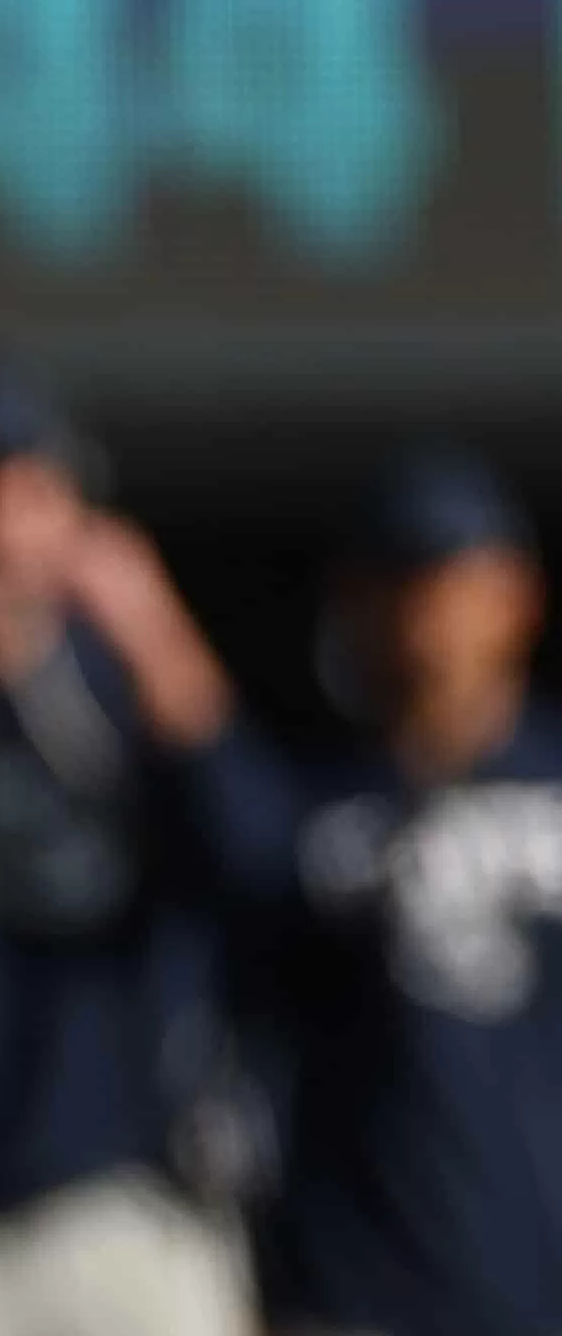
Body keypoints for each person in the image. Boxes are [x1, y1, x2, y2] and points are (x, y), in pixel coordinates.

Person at [0, 373, 256, 1336]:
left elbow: (263, 868)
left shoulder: (124, 688)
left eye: (30, 500)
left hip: (121, 1199)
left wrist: (157, 638)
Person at [177, 450, 562, 1336]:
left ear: (518, 596)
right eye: (395, 582)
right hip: (352, 1295)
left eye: (448, 577)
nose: (424, 612)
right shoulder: (305, 819)